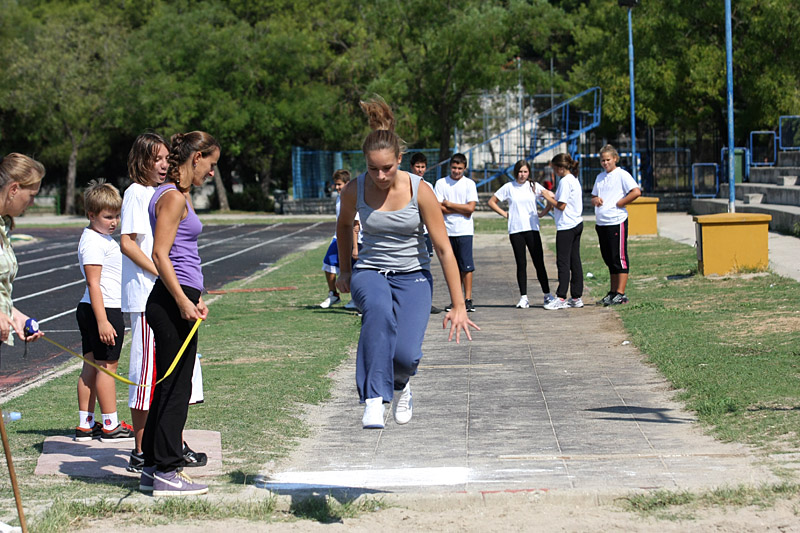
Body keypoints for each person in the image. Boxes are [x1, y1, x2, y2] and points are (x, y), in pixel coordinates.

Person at [336, 97, 479, 430]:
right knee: (379, 313)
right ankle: (373, 399)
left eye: (387, 168)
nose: (381, 175)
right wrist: (345, 269)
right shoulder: (354, 190)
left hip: (413, 275)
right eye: (373, 169)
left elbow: (444, 249)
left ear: (400, 160)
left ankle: (401, 383)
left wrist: (459, 305)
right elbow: (344, 226)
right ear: (365, 164)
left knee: (406, 356)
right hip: (370, 271)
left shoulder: (421, 191)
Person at [121, 133, 206, 473]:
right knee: (155, 378)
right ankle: (150, 452)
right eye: (155, 158)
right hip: (154, 295)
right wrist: (174, 288)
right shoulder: (143, 194)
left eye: (165, 157)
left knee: (175, 381)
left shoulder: (171, 194)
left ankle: (162, 449)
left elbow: (181, 251)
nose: (162, 163)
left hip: (170, 291)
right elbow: (139, 246)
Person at [141, 131, 219, 496]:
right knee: (176, 387)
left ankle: (153, 465)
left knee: (170, 385)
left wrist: (193, 296)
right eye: (211, 164)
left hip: (181, 296)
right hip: (172, 301)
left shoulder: (177, 194)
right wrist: (183, 301)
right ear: (197, 156)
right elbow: (160, 254)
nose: (213, 173)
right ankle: (167, 470)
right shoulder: (172, 197)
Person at [75, 181, 134, 442]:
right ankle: (111, 424)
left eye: (116, 216)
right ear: (91, 215)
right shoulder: (93, 242)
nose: (114, 222)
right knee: (106, 369)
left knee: (91, 367)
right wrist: (103, 321)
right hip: (103, 310)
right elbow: (93, 283)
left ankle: (86, 424)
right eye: (107, 216)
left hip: (94, 308)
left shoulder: (100, 238)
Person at [487, 160, 554, 309]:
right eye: (519, 172)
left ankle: (547, 295)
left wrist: (543, 212)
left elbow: (551, 197)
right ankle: (523, 297)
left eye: (525, 172)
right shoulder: (509, 187)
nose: (522, 175)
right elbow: (492, 202)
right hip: (516, 229)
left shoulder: (534, 186)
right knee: (521, 263)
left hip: (532, 228)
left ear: (529, 172)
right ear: (515, 172)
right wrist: (505, 214)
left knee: (539, 263)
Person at [0, 153, 45, 355]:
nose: (32, 202)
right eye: (32, 194)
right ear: (14, 189)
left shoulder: (3, 226)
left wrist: (15, 316)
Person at [591, 144, 641, 305]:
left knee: (619, 257)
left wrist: (621, 202)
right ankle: (612, 292)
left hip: (616, 220)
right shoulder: (600, 177)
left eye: (608, 160)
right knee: (608, 258)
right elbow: (593, 195)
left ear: (615, 159)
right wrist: (595, 200)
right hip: (602, 223)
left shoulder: (621, 175)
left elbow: (635, 191)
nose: (605, 163)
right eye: (602, 160)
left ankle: (621, 293)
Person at [434, 153, 478, 312]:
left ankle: (468, 298)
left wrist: (450, 204)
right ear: (450, 167)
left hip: (464, 230)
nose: (456, 171)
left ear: (464, 168)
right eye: (454, 168)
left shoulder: (469, 184)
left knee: (466, 266)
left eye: (460, 168)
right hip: (447, 230)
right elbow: (438, 207)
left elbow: (470, 209)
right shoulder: (441, 183)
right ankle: (455, 299)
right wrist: (460, 207)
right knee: (451, 266)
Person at [542, 153, 585, 310]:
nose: (553, 171)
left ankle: (561, 297)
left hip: (566, 226)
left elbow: (561, 205)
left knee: (563, 262)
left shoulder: (565, 181)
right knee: (574, 261)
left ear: (560, 168)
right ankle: (576, 296)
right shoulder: (573, 179)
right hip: (576, 223)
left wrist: (547, 196)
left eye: (554, 168)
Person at [320, 170, 353, 308]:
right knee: (328, 262)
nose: (337, 187)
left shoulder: (352, 197)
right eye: (336, 185)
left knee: (355, 268)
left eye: (340, 184)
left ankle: (356, 298)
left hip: (353, 237)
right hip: (338, 236)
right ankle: (333, 294)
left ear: (347, 183)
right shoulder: (340, 197)